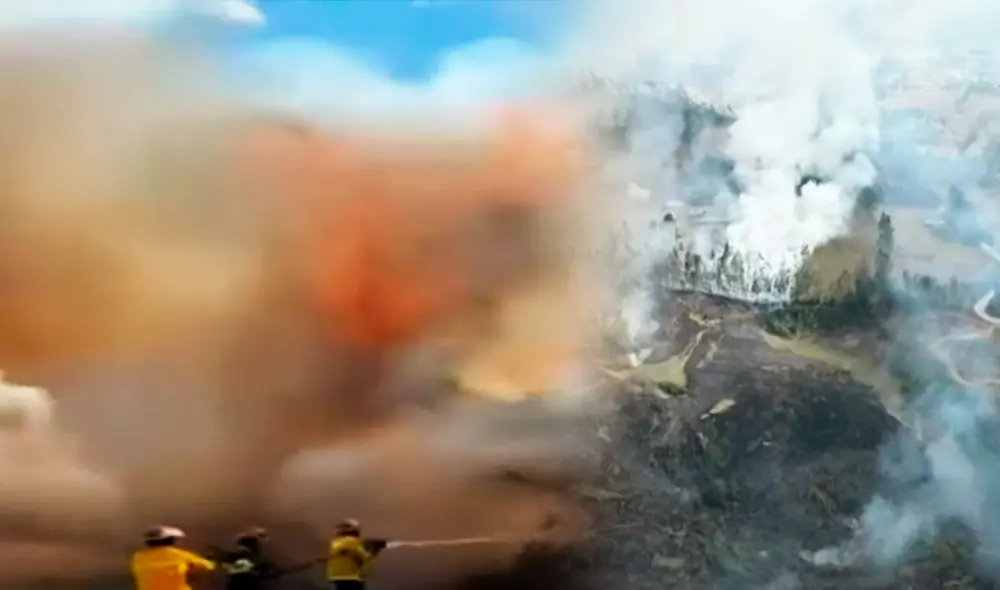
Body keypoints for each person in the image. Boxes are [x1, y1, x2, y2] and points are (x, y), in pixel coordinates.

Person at [130, 525, 216, 590]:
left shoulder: (138, 557)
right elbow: (208, 566)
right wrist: (210, 560)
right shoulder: (180, 555)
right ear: (171, 540)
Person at [326, 519, 388, 590]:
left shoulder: (336, 543)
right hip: (350, 578)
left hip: (336, 577)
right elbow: (365, 557)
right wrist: (374, 551)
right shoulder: (351, 542)